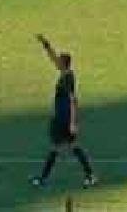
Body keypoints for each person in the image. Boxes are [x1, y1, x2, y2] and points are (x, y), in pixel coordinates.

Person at [30, 35, 97, 190]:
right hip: (61, 117)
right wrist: (46, 45)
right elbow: (53, 59)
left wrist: (73, 122)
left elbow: (73, 100)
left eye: (59, 61)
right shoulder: (64, 73)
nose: (56, 62)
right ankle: (89, 176)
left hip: (64, 119)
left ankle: (44, 179)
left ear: (64, 63)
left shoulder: (67, 78)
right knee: (64, 148)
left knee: (65, 147)